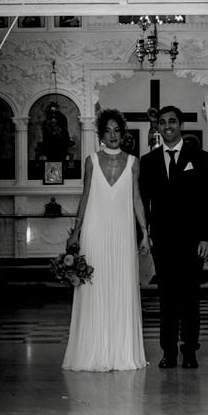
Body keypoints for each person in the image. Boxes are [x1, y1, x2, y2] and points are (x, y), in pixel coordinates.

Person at [62, 109, 149, 372]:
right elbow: (86, 196)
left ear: (123, 133)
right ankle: (93, 350)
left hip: (122, 230)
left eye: (117, 130)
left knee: (121, 284)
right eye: (108, 130)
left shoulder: (134, 162)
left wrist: (145, 232)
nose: (113, 135)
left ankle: (121, 352)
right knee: (94, 286)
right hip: (95, 229)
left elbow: (136, 198)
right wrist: (76, 231)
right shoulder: (90, 160)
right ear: (101, 134)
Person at [139, 105, 208, 369]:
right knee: (167, 298)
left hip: (193, 241)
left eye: (172, 121)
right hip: (163, 240)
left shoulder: (200, 157)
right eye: (162, 122)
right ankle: (168, 352)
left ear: (180, 124)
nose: (167, 126)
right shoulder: (148, 162)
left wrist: (207, 237)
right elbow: (143, 202)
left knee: (191, 297)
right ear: (158, 127)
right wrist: (144, 235)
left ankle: (190, 350)